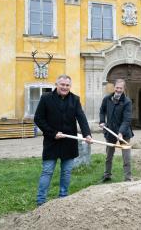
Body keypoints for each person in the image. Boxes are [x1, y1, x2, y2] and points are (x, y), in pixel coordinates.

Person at [34, 74, 92, 206]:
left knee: (66, 172)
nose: (65, 87)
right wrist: (53, 133)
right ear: (57, 85)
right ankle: (41, 201)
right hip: (51, 141)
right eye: (62, 85)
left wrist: (87, 134)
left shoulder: (75, 99)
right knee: (47, 171)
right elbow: (38, 119)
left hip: (68, 142)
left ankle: (63, 198)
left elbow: (81, 118)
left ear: (70, 86)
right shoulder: (46, 98)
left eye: (67, 85)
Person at [99, 79, 134, 182]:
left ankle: (128, 178)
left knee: (126, 157)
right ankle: (107, 175)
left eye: (121, 88)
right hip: (110, 131)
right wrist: (102, 121)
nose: (118, 90)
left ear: (124, 89)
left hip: (124, 133)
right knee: (109, 156)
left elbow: (127, 119)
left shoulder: (127, 101)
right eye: (117, 87)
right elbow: (102, 111)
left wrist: (120, 132)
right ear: (114, 87)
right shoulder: (107, 99)